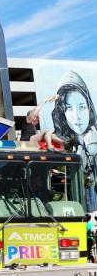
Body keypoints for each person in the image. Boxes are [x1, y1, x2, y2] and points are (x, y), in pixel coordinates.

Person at [52, 71, 97, 211]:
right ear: (62, 112)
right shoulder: (56, 143)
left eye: (81, 107)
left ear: (89, 108)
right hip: (71, 209)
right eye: (69, 108)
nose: (76, 117)